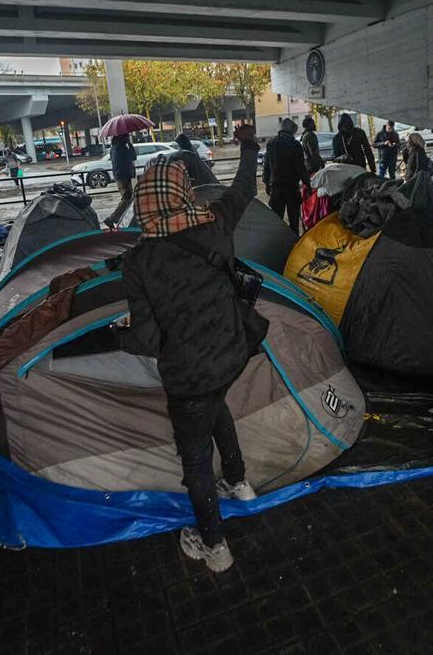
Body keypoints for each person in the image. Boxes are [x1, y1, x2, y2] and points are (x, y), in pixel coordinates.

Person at [115, 124, 266, 573]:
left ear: (144, 200)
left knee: (196, 456)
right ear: (183, 191)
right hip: (232, 353)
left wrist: (115, 335)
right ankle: (239, 483)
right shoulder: (215, 224)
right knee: (215, 404)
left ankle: (214, 545)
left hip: (188, 375)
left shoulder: (138, 261)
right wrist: (249, 145)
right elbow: (244, 186)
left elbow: (144, 339)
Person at [262, 118, 309, 233]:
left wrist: (266, 183)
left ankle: (278, 245)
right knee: (294, 221)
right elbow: (300, 168)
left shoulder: (271, 144)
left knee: (277, 220)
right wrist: (308, 183)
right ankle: (293, 245)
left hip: (276, 188)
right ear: (291, 130)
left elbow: (267, 166)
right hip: (291, 188)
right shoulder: (295, 145)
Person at [103, 133, 137, 230]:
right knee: (127, 198)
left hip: (120, 175)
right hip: (124, 176)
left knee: (128, 198)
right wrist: (130, 144)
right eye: (127, 136)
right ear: (123, 137)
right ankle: (112, 218)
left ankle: (114, 218)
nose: (128, 137)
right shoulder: (121, 147)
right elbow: (133, 156)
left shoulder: (114, 148)